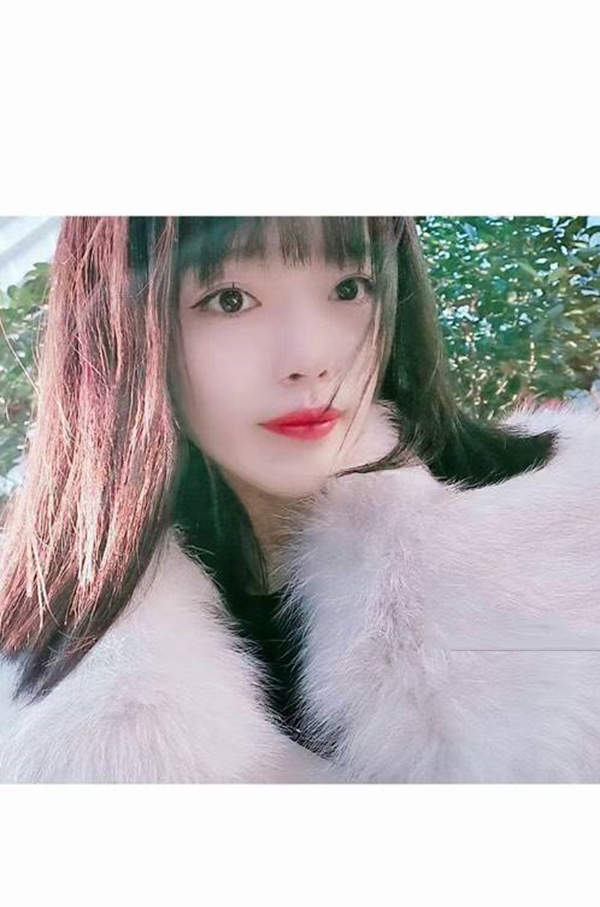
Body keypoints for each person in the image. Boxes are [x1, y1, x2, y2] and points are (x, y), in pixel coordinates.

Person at [0, 215, 599, 783]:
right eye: (230, 299)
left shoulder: (569, 528)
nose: (310, 359)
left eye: (349, 287)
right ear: (120, 335)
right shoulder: (50, 696)